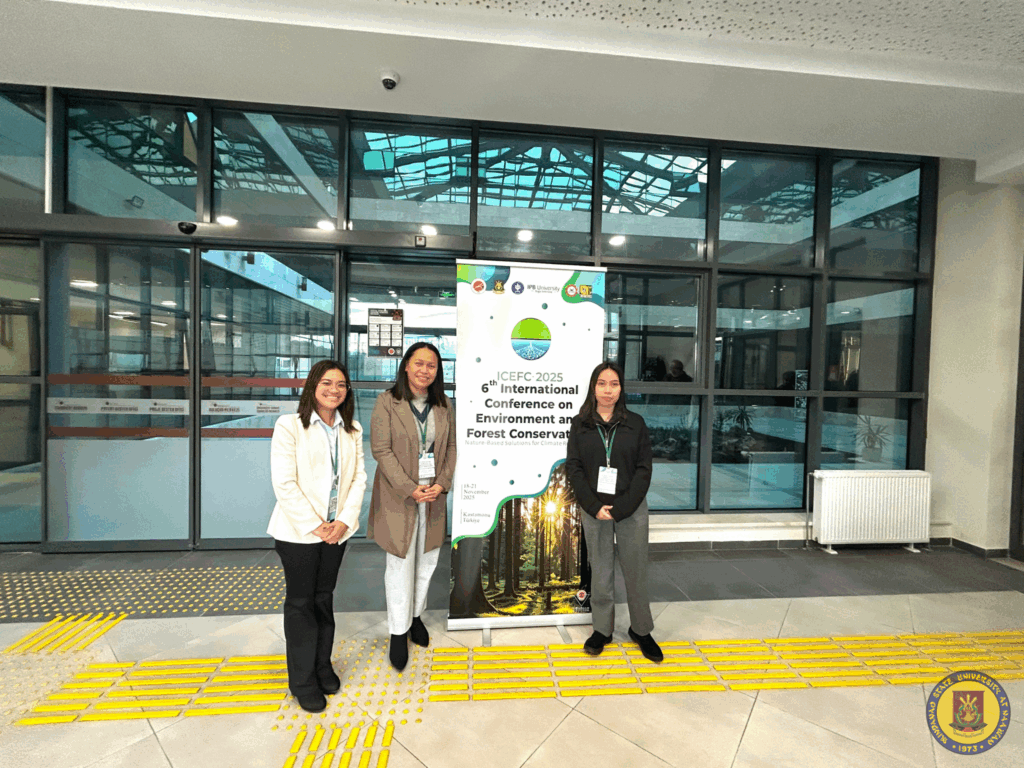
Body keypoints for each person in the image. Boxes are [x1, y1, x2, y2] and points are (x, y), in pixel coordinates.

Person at [268, 360, 365, 713]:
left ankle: (322, 666)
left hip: (337, 530)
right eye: (327, 383)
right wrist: (315, 524)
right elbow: (284, 482)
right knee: (301, 603)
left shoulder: (352, 429)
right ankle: (303, 680)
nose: (334, 390)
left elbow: (358, 479)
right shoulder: (290, 425)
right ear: (313, 386)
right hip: (299, 533)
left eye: (341, 385)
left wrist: (343, 521)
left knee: (324, 599)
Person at [565, 361, 663, 663]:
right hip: (594, 508)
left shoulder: (636, 424)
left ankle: (641, 630)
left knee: (636, 571)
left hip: (631, 508)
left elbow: (644, 470)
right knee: (601, 572)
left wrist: (621, 508)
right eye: (602, 383)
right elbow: (574, 468)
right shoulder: (580, 424)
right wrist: (594, 506)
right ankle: (602, 630)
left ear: (621, 389)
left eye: (614, 384)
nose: (608, 390)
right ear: (593, 388)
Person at [369, 341, 456, 671]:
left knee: (427, 560)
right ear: (406, 366)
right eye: (419, 363)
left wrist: (441, 484)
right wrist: (409, 488)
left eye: (431, 365)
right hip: (399, 495)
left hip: (433, 495)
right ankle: (397, 630)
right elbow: (381, 450)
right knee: (400, 563)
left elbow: (451, 449)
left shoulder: (444, 405)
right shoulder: (387, 402)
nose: (424, 370)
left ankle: (416, 616)